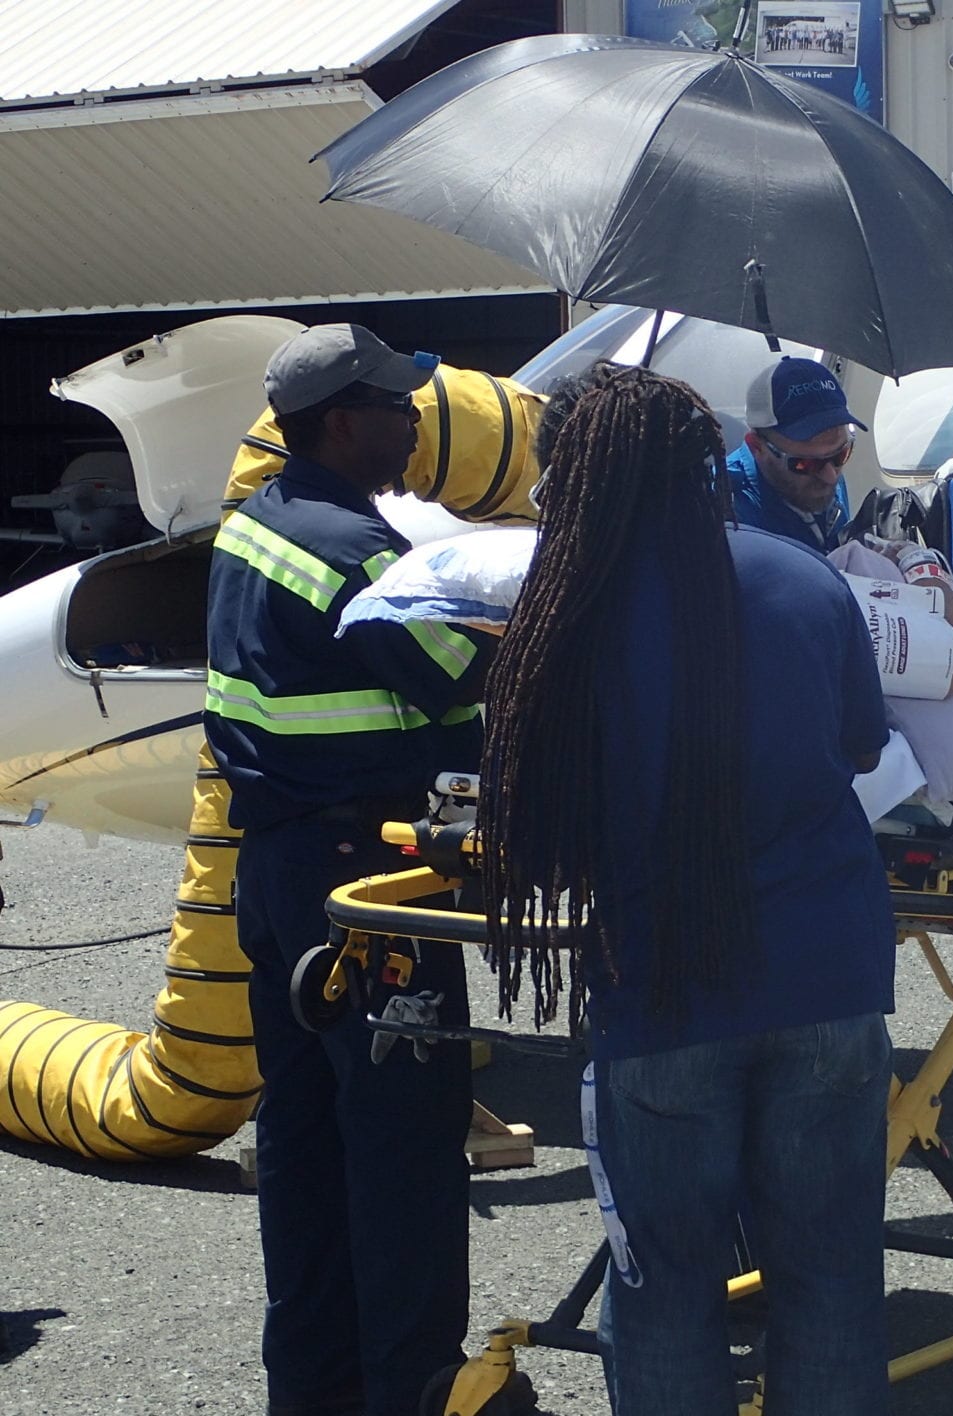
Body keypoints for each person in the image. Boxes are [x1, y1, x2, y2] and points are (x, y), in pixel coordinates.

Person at [480, 363, 895, 1413]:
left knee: (665, 1289)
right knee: (833, 1277)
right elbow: (861, 745)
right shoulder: (807, 581)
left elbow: (547, 830)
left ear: (578, 480)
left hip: (664, 993)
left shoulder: (568, 611)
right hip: (828, 977)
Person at [204, 324, 487, 1416]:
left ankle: (313, 1389)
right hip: (369, 886)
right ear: (338, 423)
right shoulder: (357, 553)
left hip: (279, 871)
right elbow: (460, 676)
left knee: (306, 1137)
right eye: (396, 409)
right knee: (405, 1142)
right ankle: (414, 1390)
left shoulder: (252, 526)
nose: (415, 424)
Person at [725, 355, 866, 551]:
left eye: (841, 454)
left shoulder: (822, 472)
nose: (831, 477)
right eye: (806, 464)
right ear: (757, 447)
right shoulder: (725, 511)